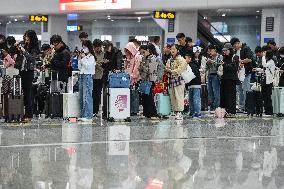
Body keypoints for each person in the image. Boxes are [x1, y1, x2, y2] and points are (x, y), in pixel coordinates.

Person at [14, 30, 40, 122]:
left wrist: (23, 50)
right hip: (21, 71)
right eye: (25, 35)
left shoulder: (35, 47)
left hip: (29, 72)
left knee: (28, 94)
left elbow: (31, 58)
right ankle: (23, 113)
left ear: (31, 37)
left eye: (27, 36)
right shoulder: (23, 45)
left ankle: (29, 114)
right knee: (23, 93)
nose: (25, 37)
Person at [138, 44, 164, 119]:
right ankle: (146, 113)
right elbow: (139, 68)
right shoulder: (144, 58)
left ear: (148, 50)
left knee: (149, 97)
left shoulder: (153, 58)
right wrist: (143, 68)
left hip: (151, 79)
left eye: (143, 52)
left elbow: (150, 70)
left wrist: (144, 68)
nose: (142, 54)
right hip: (144, 79)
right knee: (144, 96)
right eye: (141, 53)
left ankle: (153, 113)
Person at [230, 37, 254, 113]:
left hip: (246, 73)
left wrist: (240, 61)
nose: (234, 48)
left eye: (234, 46)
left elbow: (250, 59)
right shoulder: (235, 51)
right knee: (239, 90)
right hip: (238, 74)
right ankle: (241, 106)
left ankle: (247, 107)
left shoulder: (246, 48)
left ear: (238, 43)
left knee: (246, 90)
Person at [166, 44, 187, 120]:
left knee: (179, 96)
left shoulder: (181, 59)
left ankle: (180, 113)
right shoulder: (170, 59)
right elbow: (167, 67)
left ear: (177, 50)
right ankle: (175, 111)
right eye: (171, 49)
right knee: (172, 96)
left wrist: (171, 71)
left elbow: (180, 69)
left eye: (174, 49)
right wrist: (168, 69)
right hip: (171, 79)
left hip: (179, 80)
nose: (172, 50)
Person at [220, 43, 240, 118]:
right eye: (224, 51)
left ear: (230, 50)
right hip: (224, 79)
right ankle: (225, 111)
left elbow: (234, 68)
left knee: (231, 96)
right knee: (224, 96)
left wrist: (225, 65)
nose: (224, 52)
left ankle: (232, 111)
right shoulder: (224, 57)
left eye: (226, 50)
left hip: (231, 80)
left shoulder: (235, 57)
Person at [78, 40, 96, 122]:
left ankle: (88, 115)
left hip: (88, 76)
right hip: (82, 75)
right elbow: (79, 67)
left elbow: (88, 67)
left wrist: (83, 59)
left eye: (85, 47)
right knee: (82, 95)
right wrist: (80, 58)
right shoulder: (84, 57)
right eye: (83, 47)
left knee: (87, 95)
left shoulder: (92, 57)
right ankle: (83, 114)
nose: (83, 49)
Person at [184, 50, 202, 118]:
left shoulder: (193, 65)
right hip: (190, 84)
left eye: (186, 58)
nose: (185, 60)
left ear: (190, 58)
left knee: (196, 98)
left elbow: (193, 74)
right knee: (191, 99)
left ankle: (197, 112)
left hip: (195, 84)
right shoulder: (189, 65)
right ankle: (192, 111)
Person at [206, 44, 222, 111]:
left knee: (216, 92)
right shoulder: (210, 57)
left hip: (216, 75)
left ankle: (216, 107)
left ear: (214, 50)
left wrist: (213, 62)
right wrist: (208, 63)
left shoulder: (219, 56)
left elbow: (220, 66)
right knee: (210, 92)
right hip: (209, 75)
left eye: (210, 50)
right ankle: (212, 107)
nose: (209, 52)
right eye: (208, 51)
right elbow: (206, 68)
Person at [260, 50, 276, 116]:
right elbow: (265, 69)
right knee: (264, 96)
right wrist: (258, 69)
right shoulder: (268, 61)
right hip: (265, 81)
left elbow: (264, 65)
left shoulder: (271, 62)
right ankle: (266, 111)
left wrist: (263, 57)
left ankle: (269, 112)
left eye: (265, 53)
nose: (264, 54)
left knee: (267, 97)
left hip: (269, 82)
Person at [93, 39, 106, 117]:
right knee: (94, 94)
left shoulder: (104, 54)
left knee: (100, 94)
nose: (97, 49)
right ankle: (94, 110)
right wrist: (98, 63)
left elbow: (104, 65)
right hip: (93, 76)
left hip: (101, 76)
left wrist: (96, 64)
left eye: (99, 47)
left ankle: (100, 110)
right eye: (95, 47)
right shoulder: (91, 54)